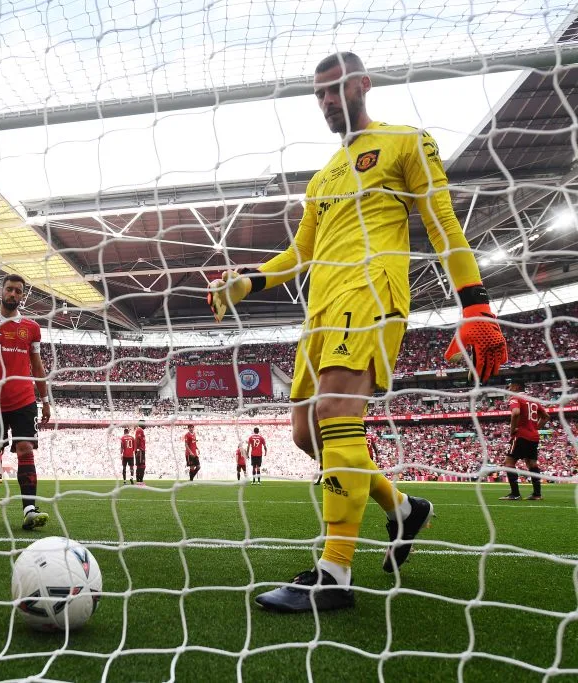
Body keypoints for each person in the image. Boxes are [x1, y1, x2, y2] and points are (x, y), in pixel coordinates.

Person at [208, 51, 507, 613]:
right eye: (317, 94)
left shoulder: (404, 142)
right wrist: (247, 282)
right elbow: (300, 252)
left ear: (362, 84)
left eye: (333, 89)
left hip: (372, 292)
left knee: (337, 419)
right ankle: (402, 509)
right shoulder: (322, 178)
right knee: (307, 435)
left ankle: (334, 573)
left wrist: (477, 306)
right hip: (319, 310)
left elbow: (442, 220)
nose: (325, 101)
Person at [0, 274, 52, 530]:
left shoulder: (32, 328)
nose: (13, 294)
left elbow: (37, 366)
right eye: (9, 289)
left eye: (18, 291)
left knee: (26, 449)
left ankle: (29, 508)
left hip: (24, 401)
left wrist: (45, 399)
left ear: (22, 296)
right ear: (1, 291)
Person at [500, 379, 549, 501]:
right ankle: (537, 494)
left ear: (516, 387)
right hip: (533, 436)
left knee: (509, 463)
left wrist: (512, 429)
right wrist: (534, 427)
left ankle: (515, 494)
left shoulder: (515, 398)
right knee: (532, 464)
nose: (509, 389)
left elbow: (515, 412)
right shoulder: (533, 400)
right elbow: (546, 417)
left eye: (510, 387)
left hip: (520, 435)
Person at [134, 420, 147, 485]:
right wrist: (139, 449)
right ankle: (140, 481)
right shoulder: (139, 430)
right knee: (141, 465)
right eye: (144, 424)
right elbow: (138, 440)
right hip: (140, 450)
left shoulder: (140, 430)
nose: (145, 425)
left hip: (140, 450)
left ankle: (139, 481)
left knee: (140, 465)